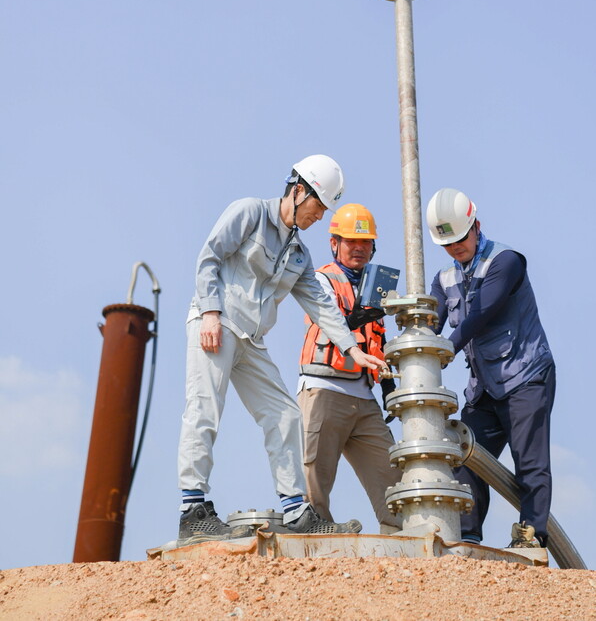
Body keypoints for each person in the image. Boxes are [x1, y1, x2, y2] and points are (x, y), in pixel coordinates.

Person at [177, 155, 387, 544]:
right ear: (298, 190)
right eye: (318, 206)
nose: (320, 216)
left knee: (286, 415)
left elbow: (321, 306)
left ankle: (296, 510)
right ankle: (193, 510)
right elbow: (209, 257)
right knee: (204, 410)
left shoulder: (299, 255)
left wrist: (353, 350)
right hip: (217, 325)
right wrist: (209, 312)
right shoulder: (249, 213)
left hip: (251, 342)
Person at [426, 187, 555, 549]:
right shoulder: (445, 278)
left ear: (476, 226)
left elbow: (482, 313)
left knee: (529, 461)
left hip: (525, 376)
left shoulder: (506, 261)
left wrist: (447, 347)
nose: (456, 248)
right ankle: (467, 536)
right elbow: (429, 324)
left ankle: (532, 535)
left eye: (461, 239)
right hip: (483, 388)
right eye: (447, 244)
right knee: (467, 457)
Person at [297, 203, 402, 534]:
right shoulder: (321, 279)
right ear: (334, 243)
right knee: (314, 481)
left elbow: (378, 341)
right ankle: (314, 554)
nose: (358, 248)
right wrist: (364, 314)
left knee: (392, 481)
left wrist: (389, 390)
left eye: (365, 242)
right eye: (350, 241)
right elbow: (331, 321)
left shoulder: (375, 287)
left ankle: (403, 550)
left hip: (362, 395)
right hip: (324, 390)